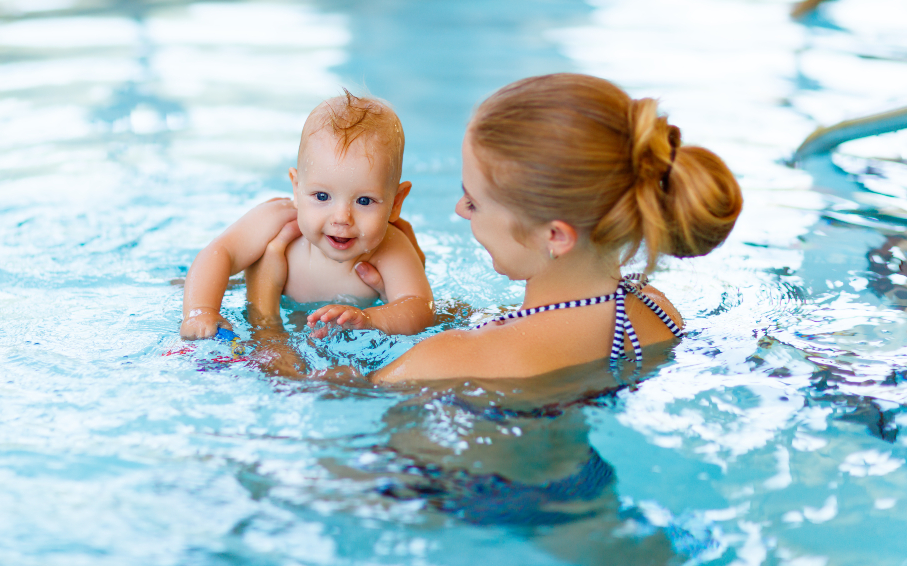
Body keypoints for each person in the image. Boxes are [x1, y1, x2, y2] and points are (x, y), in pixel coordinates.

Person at [247, 73, 743, 383]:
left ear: (555, 237)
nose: (461, 212)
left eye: (475, 201)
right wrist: (432, 307)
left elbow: (310, 391)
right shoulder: (656, 311)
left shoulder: (446, 362)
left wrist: (265, 324)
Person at [179, 90, 435, 341]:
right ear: (297, 188)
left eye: (364, 201)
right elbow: (219, 252)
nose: (342, 217)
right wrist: (201, 310)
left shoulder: (391, 248)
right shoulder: (277, 220)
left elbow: (420, 307)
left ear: (395, 203)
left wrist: (371, 320)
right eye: (322, 196)